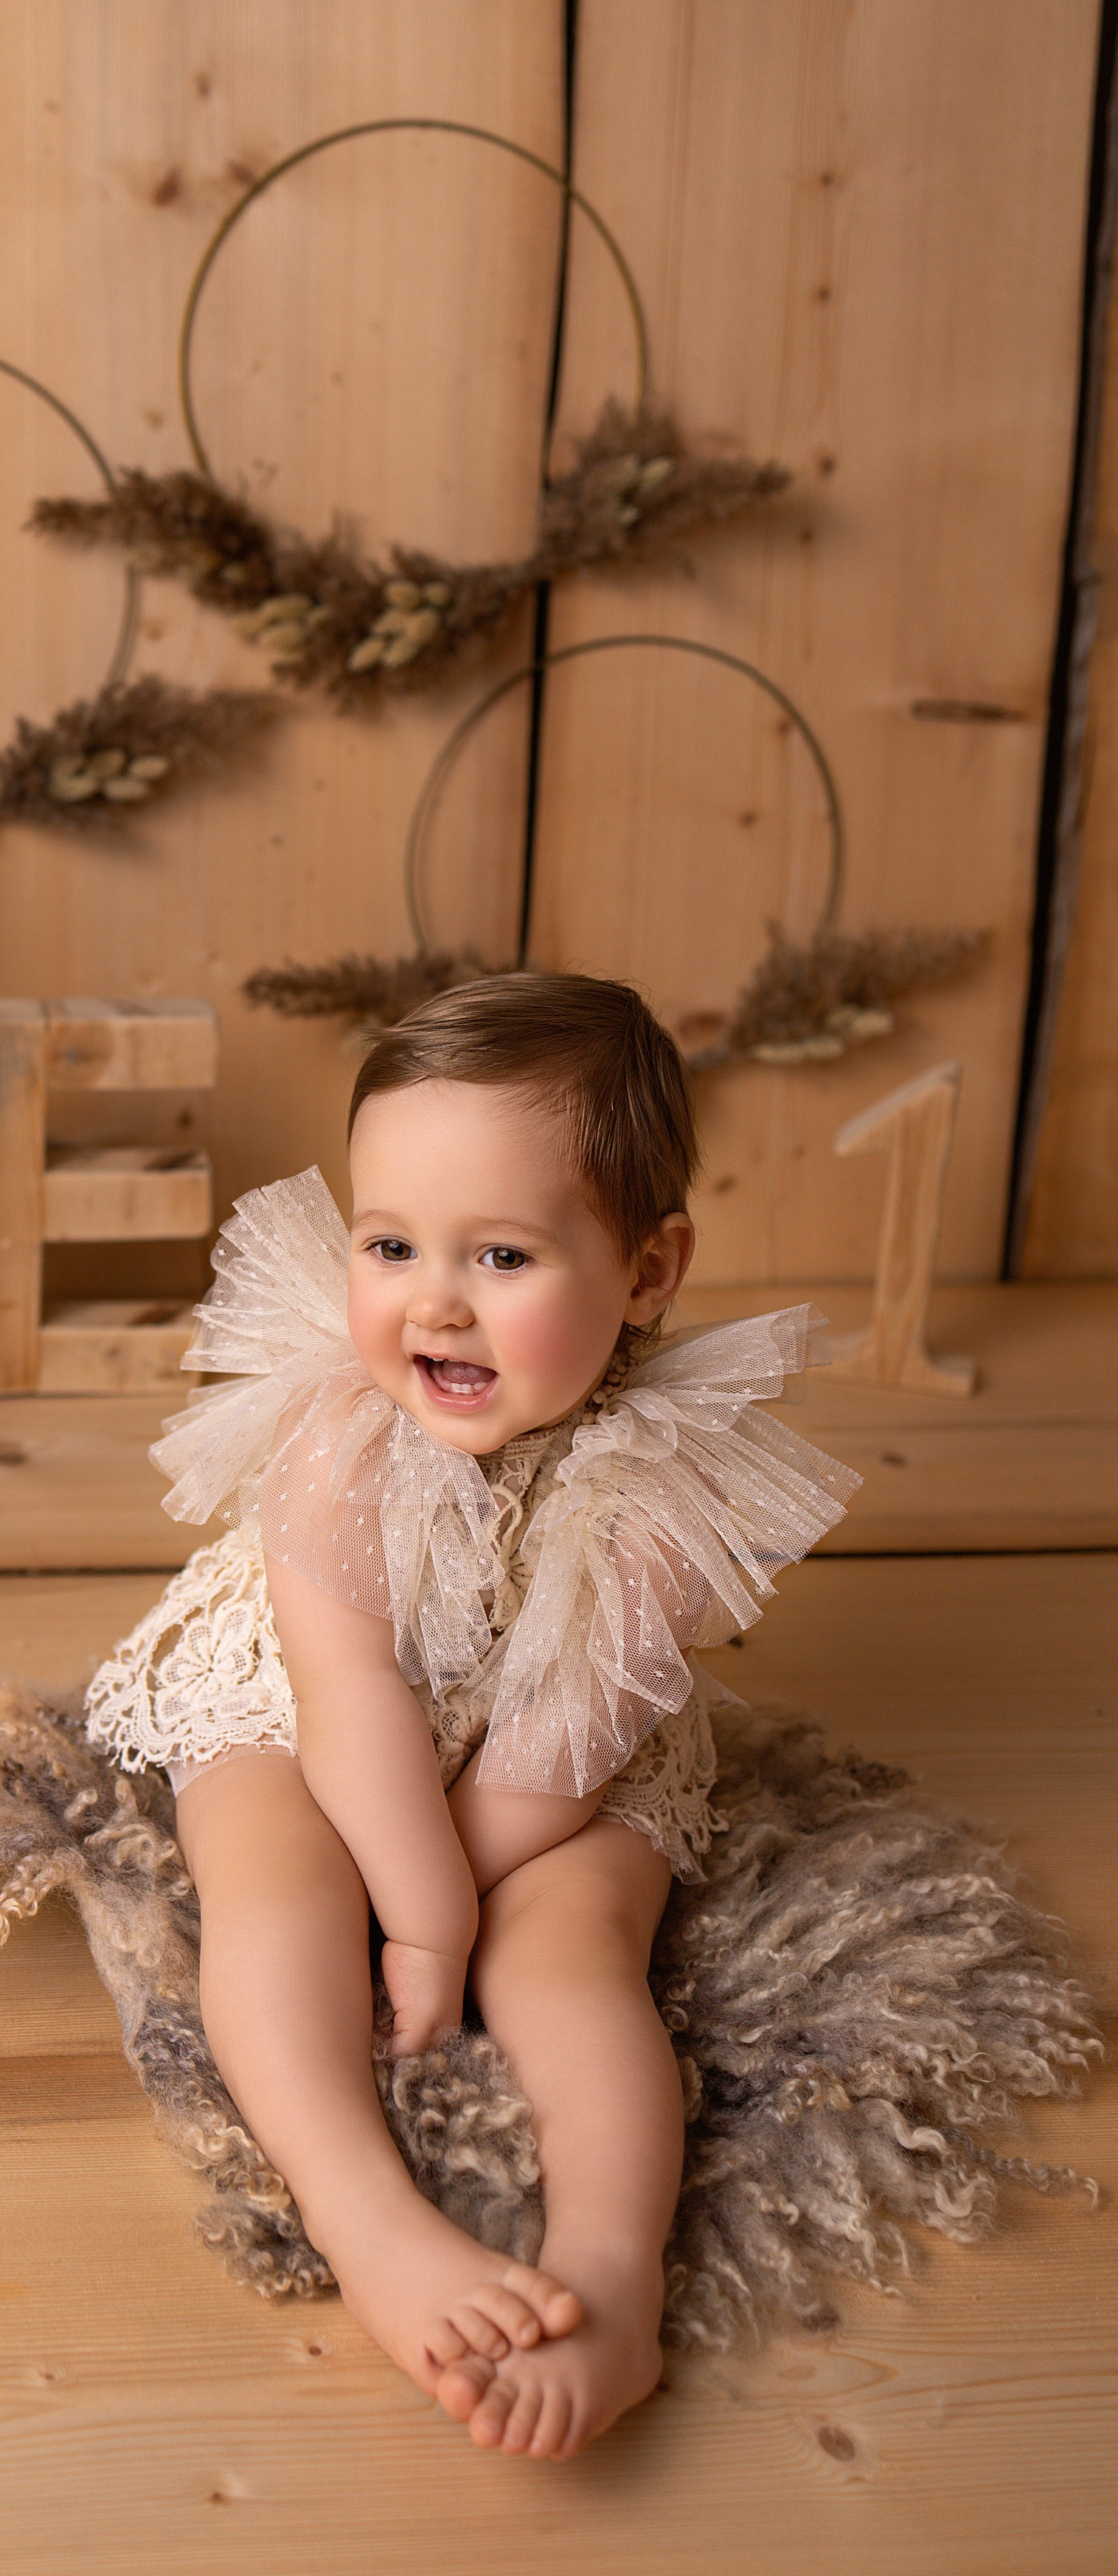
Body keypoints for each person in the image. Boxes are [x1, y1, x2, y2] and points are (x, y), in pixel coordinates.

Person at [86, 974, 858, 2457]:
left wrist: (467, 1907)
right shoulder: (338, 1440)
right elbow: (346, 1690)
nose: (431, 1300)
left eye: (500, 1254)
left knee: (573, 1963)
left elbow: (564, 1747)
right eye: (390, 1245)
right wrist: (413, 1920)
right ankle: (365, 2217)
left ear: (644, 1271)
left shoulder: (665, 1493)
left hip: (547, 1768)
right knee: (274, 1885)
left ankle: (608, 2283)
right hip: (312, 1711)